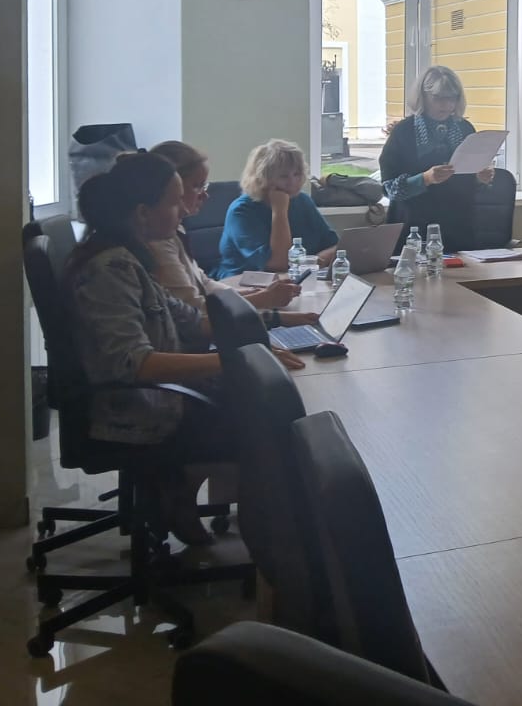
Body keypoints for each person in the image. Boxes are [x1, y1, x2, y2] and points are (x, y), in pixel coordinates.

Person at [63, 151, 229, 543]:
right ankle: (183, 495)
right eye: (174, 202)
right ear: (142, 212)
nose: (183, 211)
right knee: (260, 415)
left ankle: (175, 490)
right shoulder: (110, 269)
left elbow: (191, 320)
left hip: (154, 397)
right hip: (137, 409)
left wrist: (266, 328)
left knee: (253, 390)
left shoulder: (131, 257)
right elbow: (134, 363)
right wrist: (228, 362)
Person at [147, 140, 317, 368]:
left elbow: (204, 286)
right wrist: (264, 303)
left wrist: (268, 310)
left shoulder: (173, 231)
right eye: (196, 187)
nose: (206, 196)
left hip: (202, 345)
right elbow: (195, 313)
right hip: (189, 358)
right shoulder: (155, 244)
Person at [379, 64, 498, 253]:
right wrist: (425, 179)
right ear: (423, 97)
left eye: (452, 98)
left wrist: (480, 178)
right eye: (438, 98)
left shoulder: (465, 129)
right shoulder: (404, 131)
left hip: (459, 227)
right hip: (413, 229)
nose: (446, 105)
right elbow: (389, 188)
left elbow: (469, 184)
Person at [216, 139, 339, 279]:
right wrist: (280, 210)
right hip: (244, 284)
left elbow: (336, 247)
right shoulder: (241, 211)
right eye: (283, 176)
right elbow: (279, 263)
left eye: (297, 174)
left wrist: (313, 262)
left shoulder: (302, 201)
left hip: (297, 279)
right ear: (263, 178)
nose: (292, 182)